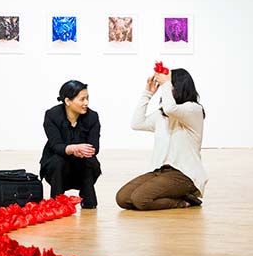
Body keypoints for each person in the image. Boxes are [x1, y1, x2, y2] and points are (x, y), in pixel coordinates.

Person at [116, 68, 207, 211]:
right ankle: (180, 196)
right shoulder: (162, 115)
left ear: (179, 84)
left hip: (184, 175)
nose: (166, 84)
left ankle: (182, 202)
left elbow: (172, 109)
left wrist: (165, 85)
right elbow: (136, 123)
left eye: (169, 81)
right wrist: (148, 94)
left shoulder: (193, 109)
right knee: (122, 198)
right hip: (160, 171)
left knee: (141, 200)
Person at [40, 79, 101, 209]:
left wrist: (85, 151)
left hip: (81, 165)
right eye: (82, 99)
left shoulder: (92, 117)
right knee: (57, 161)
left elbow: (95, 146)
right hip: (58, 167)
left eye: (87, 98)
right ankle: (57, 203)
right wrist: (73, 148)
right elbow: (55, 145)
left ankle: (88, 200)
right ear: (67, 101)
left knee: (89, 162)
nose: (86, 103)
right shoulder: (52, 115)